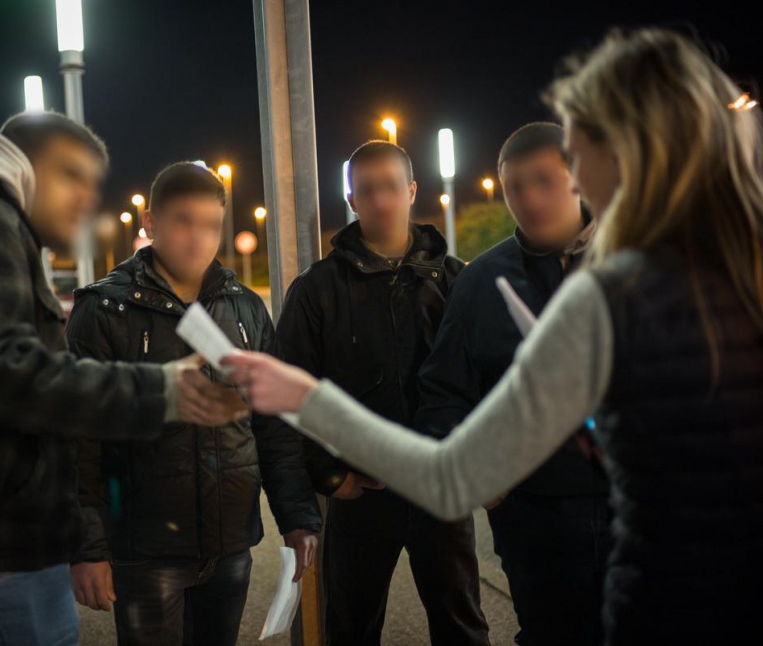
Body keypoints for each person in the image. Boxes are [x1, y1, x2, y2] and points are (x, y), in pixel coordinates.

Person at [224, 28, 763, 645]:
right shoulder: (717, 267)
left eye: (578, 155)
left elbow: (449, 476)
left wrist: (303, 398)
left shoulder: (608, 290)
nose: (574, 178)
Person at [0, 113, 247, 646]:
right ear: (27, 167)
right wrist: (161, 389)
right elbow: (2, 374)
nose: (86, 199)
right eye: (72, 176)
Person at [64, 161, 321, 646]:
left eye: (210, 224)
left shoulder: (245, 307)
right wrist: (88, 549)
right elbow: (79, 442)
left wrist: (297, 516)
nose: (197, 238)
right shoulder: (104, 311)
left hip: (229, 545)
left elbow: (273, 425)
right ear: (150, 223)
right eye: (183, 221)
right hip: (145, 550)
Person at [275, 141, 489, 645]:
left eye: (390, 187)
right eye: (366, 190)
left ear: (412, 190)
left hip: (440, 488)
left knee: (463, 629)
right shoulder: (317, 290)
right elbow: (290, 393)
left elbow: (486, 383)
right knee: (350, 629)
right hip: (360, 494)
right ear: (351, 200)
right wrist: (330, 475)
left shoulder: (456, 281)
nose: (380, 200)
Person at [415, 122, 611, 646]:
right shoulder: (483, 281)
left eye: (543, 180)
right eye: (513, 187)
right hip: (538, 520)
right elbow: (442, 391)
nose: (527, 198)